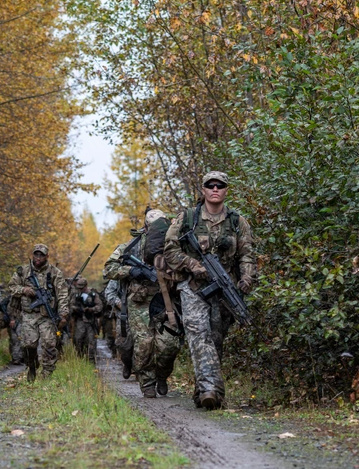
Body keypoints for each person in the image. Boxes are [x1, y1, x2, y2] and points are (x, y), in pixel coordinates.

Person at [163, 171, 254, 410]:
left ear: (226, 190)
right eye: (210, 185)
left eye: (220, 185)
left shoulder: (237, 221)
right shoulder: (188, 218)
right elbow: (169, 250)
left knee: (215, 340)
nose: (215, 189)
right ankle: (211, 390)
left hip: (224, 290)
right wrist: (192, 264)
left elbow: (247, 254)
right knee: (198, 334)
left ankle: (202, 390)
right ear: (203, 190)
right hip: (193, 288)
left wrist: (246, 277)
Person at [103, 209, 181, 398]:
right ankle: (147, 382)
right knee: (144, 344)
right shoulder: (131, 247)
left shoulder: (173, 245)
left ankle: (162, 376)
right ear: (145, 227)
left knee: (169, 345)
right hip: (139, 302)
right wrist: (130, 271)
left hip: (165, 300)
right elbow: (109, 269)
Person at [7, 244, 69, 381]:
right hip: (28, 314)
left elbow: (62, 293)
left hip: (46, 315)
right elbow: (11, 286)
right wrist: (24, 290)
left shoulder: (55, 272)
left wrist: (63, 313)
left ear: (47, 256)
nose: (38, 257)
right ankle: (32, 366)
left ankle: (47, 374)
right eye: (36, 254)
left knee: (49, 344)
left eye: (42, 255)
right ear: (32, 255)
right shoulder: (23, 271)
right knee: (28, 345)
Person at [69, 277, 104, 363]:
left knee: (91, 341)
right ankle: (80, 360)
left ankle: (91, 361)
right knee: (78, 340)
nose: (80, 289)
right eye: (79, 288)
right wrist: (76, 309)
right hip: (80, 321)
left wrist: (91, 309)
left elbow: (100, 306)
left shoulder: (93, 294)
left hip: (90, 321)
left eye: (82, 287)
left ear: (86, 285)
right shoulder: (76, 295)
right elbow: (70, 305)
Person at [0, 294, 24, 365]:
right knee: (16, 339)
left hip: (20, 319)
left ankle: (20, 357)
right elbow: (9, 309)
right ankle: (16, 358)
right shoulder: (14, 297)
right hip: (15, 320)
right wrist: (12, 319)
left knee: (20, 338)